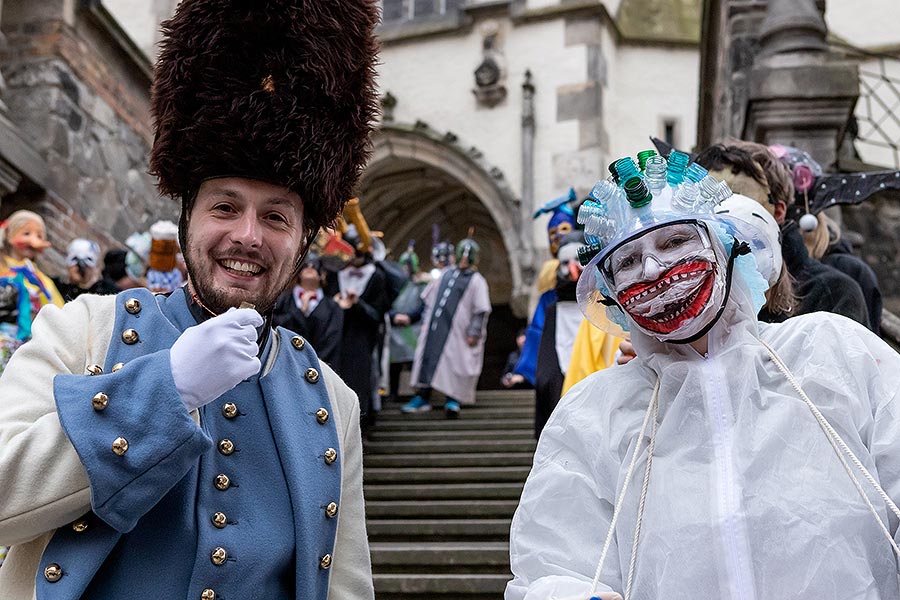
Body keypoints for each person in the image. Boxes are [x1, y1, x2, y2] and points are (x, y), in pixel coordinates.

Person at [0, 1, 379, 598]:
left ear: (305, 240)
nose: (248, 236)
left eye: (276, 216)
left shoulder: (335, 401)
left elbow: (346, 587)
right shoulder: (81, 331)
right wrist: (163, 391)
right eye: (225, 207)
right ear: (185, 222)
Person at [507, 150, 900, 600]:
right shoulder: (593, 414)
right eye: (629, 260)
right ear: (611, 293)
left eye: (674, 242)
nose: (654, 270)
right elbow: (556, 561)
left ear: (726, 244)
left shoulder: (832, 352)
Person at [696, 141, 868, 326]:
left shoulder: (831, 292)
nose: (724, 216)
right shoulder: (693, 291)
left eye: (741, 200)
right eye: (709, 203)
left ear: (777, 211)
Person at [404, 236, 491, 418]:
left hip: (457, 332)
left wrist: (474, 331)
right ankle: (422, 397)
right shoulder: (445, 274)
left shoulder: (477, 280)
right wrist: (415, 318)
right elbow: (426, 300)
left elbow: (480, 310)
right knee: (427, 361)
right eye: (463, 253)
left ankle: (453, 399)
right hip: (434, 328)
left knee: (455, 364)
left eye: (469, 255)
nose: (465, 258)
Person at [335, 225, 393, 428]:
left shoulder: (376, 277)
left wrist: (357, 303)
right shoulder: (337, 274)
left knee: (360, 380)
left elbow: (377, 313)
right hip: (338, 337)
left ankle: (363, 424)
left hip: (362, 338)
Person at [0, 210, 65, 374]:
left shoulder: (41, 281)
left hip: (20, 348)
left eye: (39, 236)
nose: (33, 240)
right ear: (9, 235)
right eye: (26, 233)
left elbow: (58, 313)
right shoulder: (3, 268)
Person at [273, 253, 344, 370]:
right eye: (306, 265)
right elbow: (274, 327)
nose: (310, 267)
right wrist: (299, 312)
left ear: (323, 275)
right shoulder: (281, 299)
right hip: (280, 363)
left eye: (315, 266)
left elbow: (332, 341)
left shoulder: (333, 308)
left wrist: (314, 365)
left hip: (317, 368)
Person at [386, 243, 428, 403]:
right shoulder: (392, 286)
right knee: (394, 365)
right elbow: (384, 304)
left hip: (412, 329)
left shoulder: (420, 286)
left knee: (414, 362)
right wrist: (393, 316)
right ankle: (393, 392)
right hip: (395, 330)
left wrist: (410, 317)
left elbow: (423, 306)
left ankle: (417, 392)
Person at [53, 238, 120, 302]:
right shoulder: (57, 286)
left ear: (96, 266)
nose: (80, 267)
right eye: (74, 259)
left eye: (87, 261)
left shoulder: (108, 293)